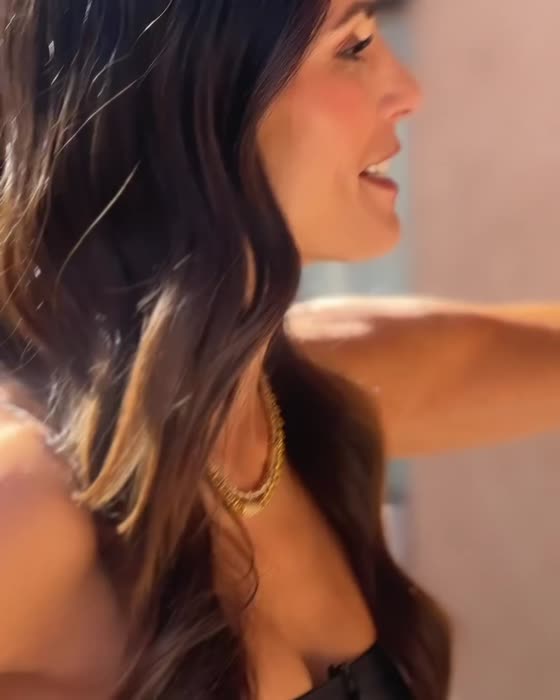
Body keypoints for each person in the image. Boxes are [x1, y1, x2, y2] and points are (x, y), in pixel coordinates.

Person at [1, 1, 560, 698]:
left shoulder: (287, 398)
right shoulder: (30, 496)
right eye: (352, 46)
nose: (408, 90)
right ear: (194, 91)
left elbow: (473, 357)